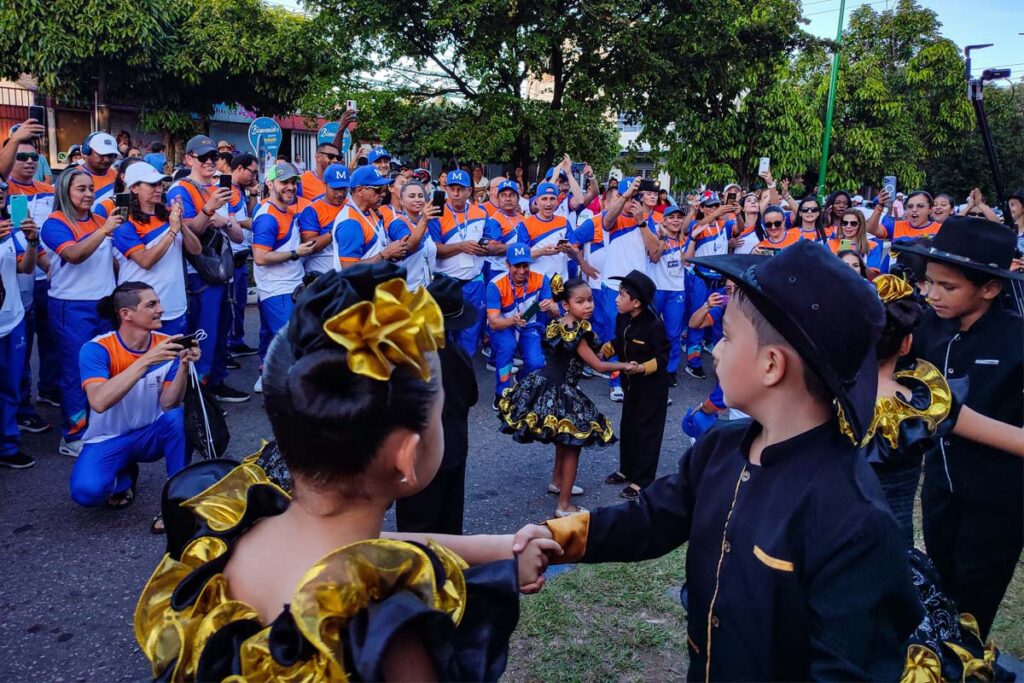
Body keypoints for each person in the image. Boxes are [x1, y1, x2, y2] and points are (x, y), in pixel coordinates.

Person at [514, 240, 923, 680]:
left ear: (771, 365)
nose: (715, 351)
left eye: (726, 337)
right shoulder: (720, 449)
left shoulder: (854, 520)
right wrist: (548, 538)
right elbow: (649, 520)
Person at [135, 264, 534, 681]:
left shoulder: (241, 528)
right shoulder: (385, 632)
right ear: (407, 456)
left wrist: (498, 547)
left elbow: (367, 546)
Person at [896, 217, 1024, 639]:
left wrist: (958, 419)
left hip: (998, 502)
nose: (932, 294)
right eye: (928, 282)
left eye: (947, 287)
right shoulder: (928, 326)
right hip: (938, 490)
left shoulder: (1016, 341)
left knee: (972, 610)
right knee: (939, 594)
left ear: (989, 288)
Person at [864, 274, 1024, 547]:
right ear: (906, 344)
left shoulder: (819, 398)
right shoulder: (926, 403)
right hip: (890, 545)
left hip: (826, 538)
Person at [499, 277, 630, 517]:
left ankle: (557, 482)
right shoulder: (576, 333)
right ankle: (564, 505)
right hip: (560, 389)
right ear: (567, 305)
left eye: (590, 300)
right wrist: (628, 365)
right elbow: (599, 367)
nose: (588, 305)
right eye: (580, 301)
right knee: (572, 444)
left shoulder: (562, 322)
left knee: (564, 438)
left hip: (546, 383)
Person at [70, 283, 196, 521]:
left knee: (178, 418)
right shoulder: (96, 349)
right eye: (151, 304)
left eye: (158, 302)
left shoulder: (167, 344)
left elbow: (169, 404)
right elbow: (99, 401)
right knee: (86, 493)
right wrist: (146, 361)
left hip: (150, 434)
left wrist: (183, 366)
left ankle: (178, 500)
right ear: (126, 314)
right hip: (108, 438)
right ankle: (124, 477)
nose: (160, 309)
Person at [40, 167, 120, 458]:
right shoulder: (54, 223)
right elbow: (74, 255)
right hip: (71, 306)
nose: (88, 194)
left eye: (90, 188)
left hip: (104, 304)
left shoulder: (100, 219)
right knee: (76, 372)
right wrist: (104, 231)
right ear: (65, 192)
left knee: (105, 368)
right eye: (80, 189)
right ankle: (73, 434)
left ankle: (100, 427)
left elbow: (110, 260)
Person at [395, 274, 479, 535]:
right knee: (450, 525)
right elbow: (472, 396)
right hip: (453, 449)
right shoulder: (459, 356)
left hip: (417, 458)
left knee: (416, 531)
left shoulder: (405, 358)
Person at [166, 135, 248, 402]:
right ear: (189, 159)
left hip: (221, 267)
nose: (210, 162)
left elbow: (238, 235)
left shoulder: (221, 187)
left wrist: (221, 219)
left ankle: (216, 381)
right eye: (203, 158)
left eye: (214, 157)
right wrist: (209, 211)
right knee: (204, 331)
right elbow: (189, 234)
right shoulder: (180, 189)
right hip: (197, 272)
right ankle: (199, 391)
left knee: (221, 329)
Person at [601, 270, 669, 499]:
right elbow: (620, 341)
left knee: (647, 432)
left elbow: (662, 358)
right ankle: (626, 469)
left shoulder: (653, 325)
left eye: (622, 295)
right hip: (630, 385)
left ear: (637, 302)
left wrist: (641, 368)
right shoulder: (623, 318)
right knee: (628, 427)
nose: (616, 299)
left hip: (651, 389)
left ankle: (642, 480)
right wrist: (603, 350)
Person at [114, 163, 201, 336]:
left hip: (175, 304)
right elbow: (146, 261)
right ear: (135, 188)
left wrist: (181, 224)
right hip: (140, 310)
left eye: (160, 184)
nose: (158, 189)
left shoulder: (169, 215)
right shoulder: (123, 222)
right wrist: (173, 230)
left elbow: (196, 249)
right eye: (151, 184)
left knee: (175, 361)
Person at [251, 162, 315, 381]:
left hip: (288, 286)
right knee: (289, 342)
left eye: (293, 182)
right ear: (270, 184)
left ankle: (269, 380)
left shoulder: (285, 211)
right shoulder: (268, 217)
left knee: (273, 339)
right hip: (277, 289)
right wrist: (295, 253)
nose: (290, 187)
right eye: (284, 182)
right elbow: (260, 258)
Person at [600, 177, 661, 400]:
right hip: (613, 287)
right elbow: (607, 222)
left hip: (637, 289)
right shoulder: (612, 219)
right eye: (627, 198)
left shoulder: (646, 220)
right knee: (615, 334)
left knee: (639, 334)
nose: (630, 203)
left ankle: (636, 377)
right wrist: (624, 196)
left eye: (635, 198)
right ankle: (615, 381)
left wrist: (641, 222)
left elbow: (656, 254)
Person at [486, 243, 557, 407]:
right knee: (507, 348)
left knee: (536, 363)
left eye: (526, 265)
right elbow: (494, 323)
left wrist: (552, 307)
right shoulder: (495, 285)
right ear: (507, 264)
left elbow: (554, 313)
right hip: (505, 325)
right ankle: (501, 392)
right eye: (517, 266)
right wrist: (513, 321)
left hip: (529, 325)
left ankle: (521, 379)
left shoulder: (541, 278)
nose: (522, 271)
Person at [427, 169, 489, 355]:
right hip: (446, 282)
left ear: (469, 191)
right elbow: (435, 250)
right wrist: (461, 246)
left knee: (470, 331)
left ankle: (466, 373)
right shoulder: (437, 214)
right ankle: (448, 377)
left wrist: (486, 247)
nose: (455, 193)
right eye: (451, 188)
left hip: (474, 282)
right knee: (445, 334)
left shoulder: (481, 213)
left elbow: (493, 243)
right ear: (445, 189)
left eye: (460, 189)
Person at [0, 204, 40, 468]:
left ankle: (7, 446)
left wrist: (33, 242)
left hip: (11, 318)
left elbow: (25, 268)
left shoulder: (9, 226)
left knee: (10, 386)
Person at [683, 192, 736, 380]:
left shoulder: (725, 225)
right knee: (697, 318)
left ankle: (718, 357)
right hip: (701, 279)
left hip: (719, 281)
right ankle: (693, 361)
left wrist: (738, 212)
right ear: (703, 208)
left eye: (716, 206)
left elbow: (740, 228)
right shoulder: (696, 226)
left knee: (718, 320)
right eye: (710, 206)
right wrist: (717, 213)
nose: (714, 209)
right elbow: (692, 228)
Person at [332, 165, 407, 270]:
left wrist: (392, 254)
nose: (383, 194)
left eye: (384, 189)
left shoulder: (370, 210)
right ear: (360, 190)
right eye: (378, 189)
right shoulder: (350, 222)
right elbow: (349, 270)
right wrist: (384, 255)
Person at [225, 154, 259, 359]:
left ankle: (236, 341)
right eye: (252, 172)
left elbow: (248, 213)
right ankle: (228, 346)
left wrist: (254, 195)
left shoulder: (239, 190)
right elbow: (240, 221)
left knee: (239, 303)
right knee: (231, 304)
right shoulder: (227, 189)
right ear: (239, 168)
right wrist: (263, 223)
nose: (254, 176)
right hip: (231, 254)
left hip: (241, 253)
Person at [650, 206, 687, 385]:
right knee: (652, 330)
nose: (675, 221)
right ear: (663, 220)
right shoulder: (656, 235)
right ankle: (651, 365)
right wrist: (663, 237)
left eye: (679, 218)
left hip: (676, 289)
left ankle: (670, 369)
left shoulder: (684, 239)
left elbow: (687, 262)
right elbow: (655, 258)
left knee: (673, 332)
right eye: (671, 217)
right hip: (657, 288)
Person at [521, 182, 587, 282]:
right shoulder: (526, 224)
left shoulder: (563, 222)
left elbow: (575, 252)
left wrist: (569, 249)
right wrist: (541, 252)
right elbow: (521, 257)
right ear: (537, 201)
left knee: (558, 298)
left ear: (556, 201)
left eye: (552, 199)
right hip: (535, 281)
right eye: (544, 199)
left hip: (558, 280)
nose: (548, 203)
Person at [297, 162, 348, 276]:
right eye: (336, 189)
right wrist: (334, 231)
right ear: (324, 184)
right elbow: (309, 246)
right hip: (321, 273)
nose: (340, 194)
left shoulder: (351, 205)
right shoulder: (312, 209)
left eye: (344, 189)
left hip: (346, 271)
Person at [386, 180, 439, 288]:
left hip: (426, 291)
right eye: (412, 196)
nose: (417, 199)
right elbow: (409, 247)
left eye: (420, 196)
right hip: (406, 292)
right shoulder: (397, 223)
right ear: (401, 201)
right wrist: (424, 220)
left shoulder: (424, 221)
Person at [481, 179, 527, 283]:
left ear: (518, 199)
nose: (508, 199)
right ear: (498, 198)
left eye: (512, 195)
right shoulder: (494, 220)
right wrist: (520, 246)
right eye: (503, 195)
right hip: (500, 271)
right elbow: (493, 249)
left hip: (521, 271)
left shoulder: (524, 219)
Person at [868, 189, 940, 242]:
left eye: (920, 206)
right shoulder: (896, 226)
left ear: (930, 209)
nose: (914, 209)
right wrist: (879, 207)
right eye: (910, 206)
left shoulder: (941, 229)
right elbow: (871, 229)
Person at [79, 132, 121, 209]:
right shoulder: (70, 177)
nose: (106, 160)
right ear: (86, 151)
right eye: (101, 155)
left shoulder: (119, 177)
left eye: (110, 156)